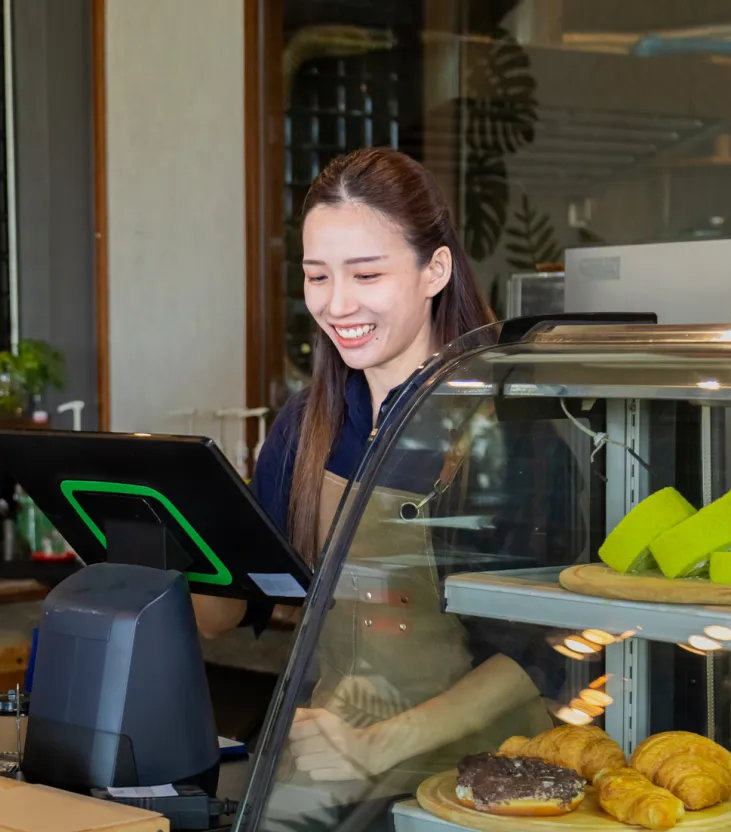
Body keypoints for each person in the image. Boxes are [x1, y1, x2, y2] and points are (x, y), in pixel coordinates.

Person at [196, 146, 580, 787]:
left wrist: (381, 744)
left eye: (366, 276)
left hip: (481, 778)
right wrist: (160, 526)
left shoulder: (510, 432)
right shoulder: (306, 423)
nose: (337, 305)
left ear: (434, 270)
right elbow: (224, 616)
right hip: (334, 764)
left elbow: (543, 650)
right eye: (317, 277)